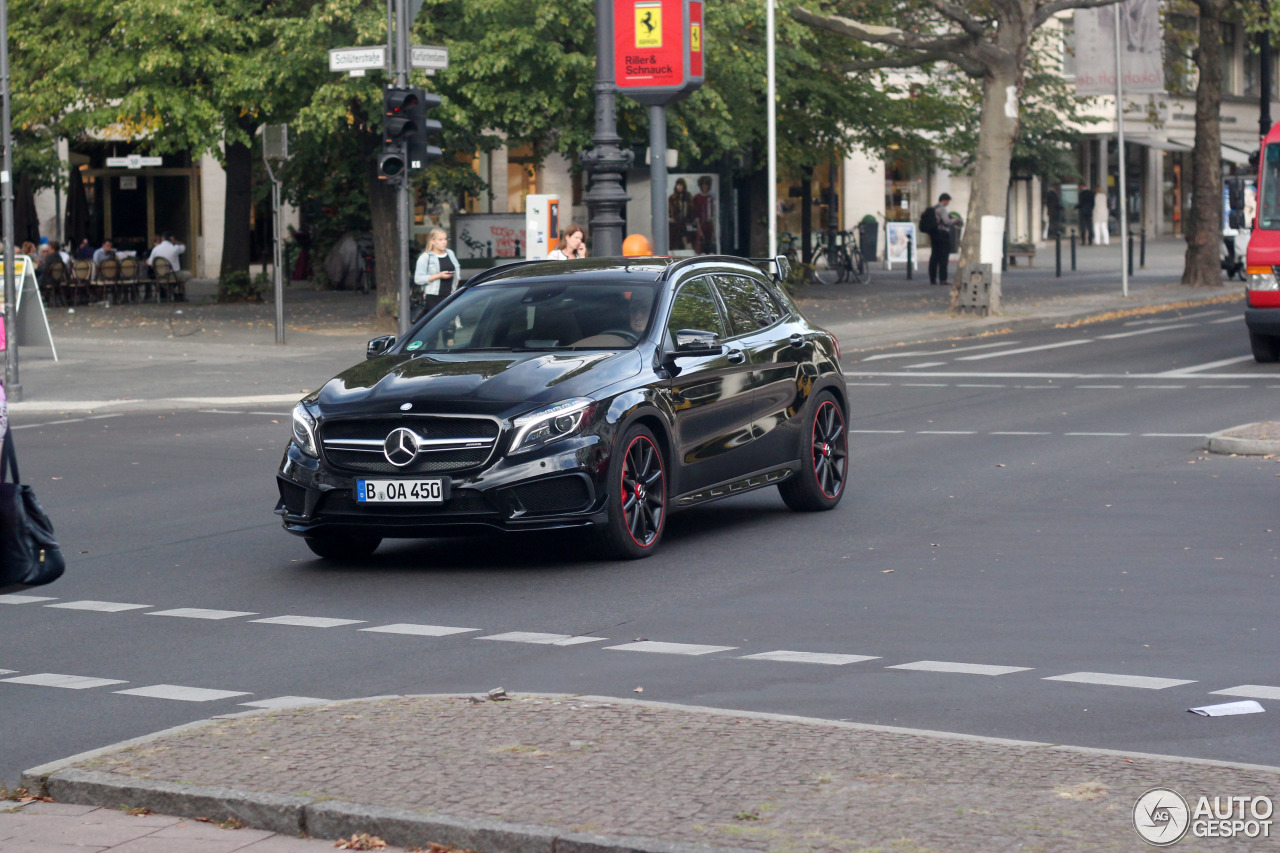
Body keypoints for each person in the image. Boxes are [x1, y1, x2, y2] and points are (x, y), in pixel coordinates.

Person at [412, 227, 461, 321]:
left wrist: (455, 284)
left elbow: (457, 270)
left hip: (450, 295)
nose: (444, 242)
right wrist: (439, 276)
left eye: (445, 239)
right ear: (432, 241)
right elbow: (418, 279)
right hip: (433, 297)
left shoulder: (450, 253)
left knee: (450, 327)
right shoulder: (426, 257)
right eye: (440, 239)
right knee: (435, 326)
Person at [928, 193, 958, 286]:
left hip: (934, 234)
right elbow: (947, 221)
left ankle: (932, 279)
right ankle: (943, 279)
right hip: (942, 234)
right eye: (948, 201)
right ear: (944, 200)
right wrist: (954, 220)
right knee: (943, 257)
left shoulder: (934, 208)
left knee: (934, 257)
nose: (948, 203)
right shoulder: (942, 209)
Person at [692, 176, 716, 254]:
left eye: (706, 185)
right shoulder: (697, 198)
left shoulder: (710, 198)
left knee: (709, 243)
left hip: (709, 223)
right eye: (703, 184)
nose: (705, 186)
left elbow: (712, 213)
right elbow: (696, 214)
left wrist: (713, 227)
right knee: (701, 242)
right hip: (701, 223)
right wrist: (699, 228)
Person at [668, 178, 693, 251]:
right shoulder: (672, 198)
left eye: (681, 185)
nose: (679, 187)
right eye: (678, 185)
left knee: (687, 240)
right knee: (675, 240)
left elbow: (691, 209)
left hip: (686, 222)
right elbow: (670, 210)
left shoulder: (688, 196)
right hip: (675, 222)